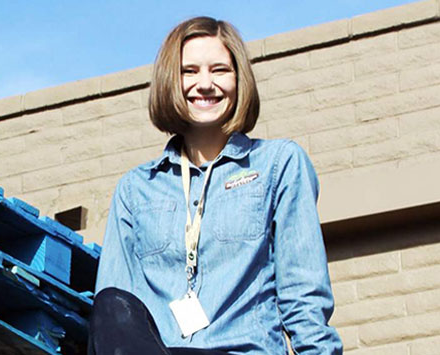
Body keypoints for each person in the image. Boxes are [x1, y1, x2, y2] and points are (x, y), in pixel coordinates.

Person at [89, 16, 343, 355]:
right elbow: (116, 315)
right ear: (169, 81)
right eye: (189, 71)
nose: (205, 83)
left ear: (239, 80)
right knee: (108, 304)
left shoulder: (278, 164)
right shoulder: (136, 189)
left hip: (241, 351)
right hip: (161, 350)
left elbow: (303, 292)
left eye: (220, 70)